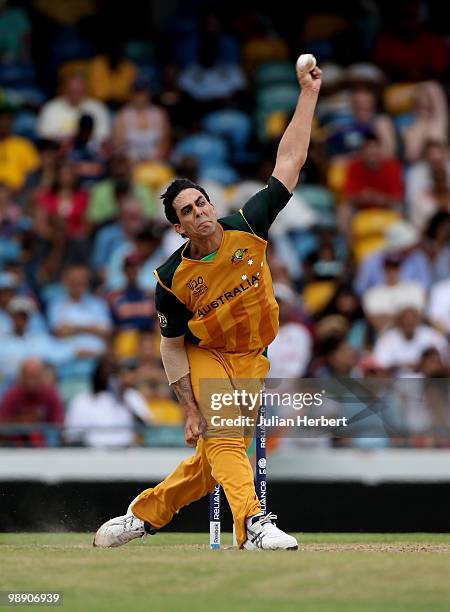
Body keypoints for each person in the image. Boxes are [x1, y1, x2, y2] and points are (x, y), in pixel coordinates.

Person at [93, 56, 323, 551]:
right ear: (177, 227)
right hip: (207, 354)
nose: (199, 213)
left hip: (253, 358)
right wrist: (188, 407)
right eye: (187, 211)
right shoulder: (171, 278)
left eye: (201, 203)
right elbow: (171, 346)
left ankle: (142, 515)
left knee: (213, 463)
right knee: (220, 439)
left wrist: (307, 95)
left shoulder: (249, 225)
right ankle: (256, 524)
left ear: (211, 206)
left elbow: (289, 162)